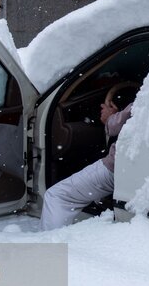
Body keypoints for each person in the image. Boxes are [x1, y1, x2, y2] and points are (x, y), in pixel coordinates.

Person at [40, 84, 137, 230]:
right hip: (143, 172)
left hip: (119, 167)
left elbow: (117, 125)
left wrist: (110, 117)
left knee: (57, 196)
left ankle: (50, 247)